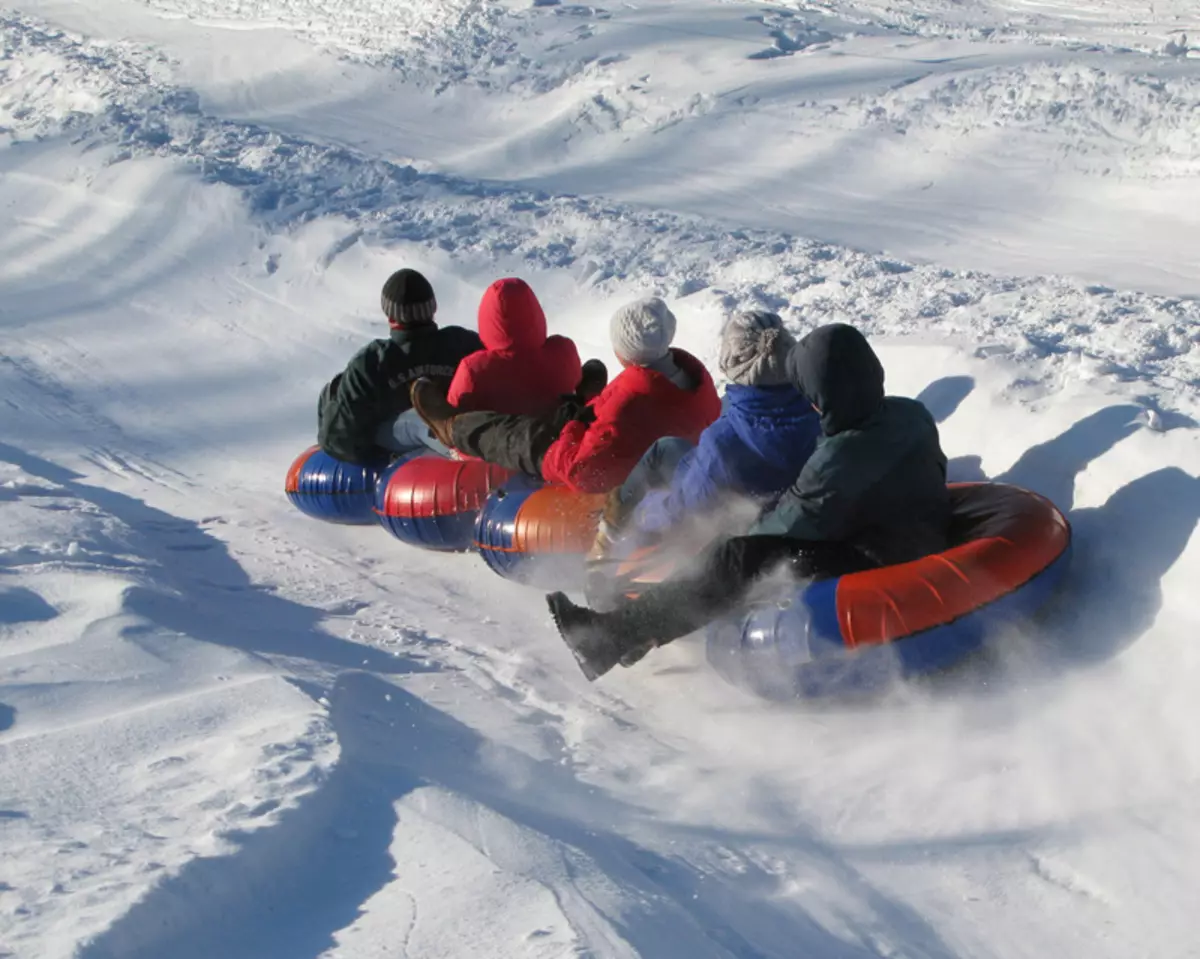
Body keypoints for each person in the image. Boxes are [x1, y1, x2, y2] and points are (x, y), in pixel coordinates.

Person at [547, 323, 952, 680]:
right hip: (921, 531)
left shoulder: (837, 457)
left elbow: (788, 522)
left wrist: (729, 545)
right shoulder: (909, 413)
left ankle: (614, 636)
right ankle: (644, 629)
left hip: (877, 558)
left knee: (734, 558)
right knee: (744, 548)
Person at [411, 297, 722, 494]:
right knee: (573, 410)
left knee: (512, 432)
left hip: (578, 458)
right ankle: (583, 401)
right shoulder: (697, 381)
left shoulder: (630, 397)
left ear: (623, 352)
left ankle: (450, 426)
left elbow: (584, 471)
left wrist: (570, 433)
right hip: (633, 444)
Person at [588, 310, 822, 565]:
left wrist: (645, 518)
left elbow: (684, 511)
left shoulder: (724, 445)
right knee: (668, 447)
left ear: (735, 364)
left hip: (727, 526)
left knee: (659, 453)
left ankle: (609, 534)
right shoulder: (816, 412)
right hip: (776, 507)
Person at [317, 268, 482, 465]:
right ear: (432, 308)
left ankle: (453, 447)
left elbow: (338, 440)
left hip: (406, 444)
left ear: (390, 315)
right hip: (467, 430)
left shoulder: (372, 363)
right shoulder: (463, 344)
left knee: (410, 421)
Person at [448, 278, 583, 415]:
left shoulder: (473, 370)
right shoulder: (564, 353)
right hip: (560, 433)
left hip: (499, 436)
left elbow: (453, 414)